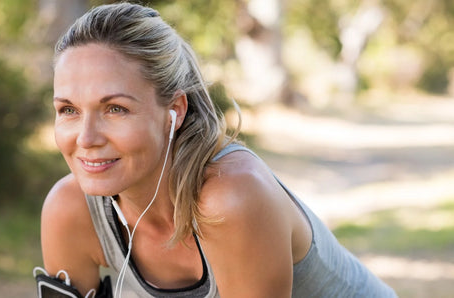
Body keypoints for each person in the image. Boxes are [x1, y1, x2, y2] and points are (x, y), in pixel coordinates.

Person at [38, 2, 397, 298]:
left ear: (174, 111)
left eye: (115, 109)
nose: (85, 138)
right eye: (68, 110)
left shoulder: (231, 197)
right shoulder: (69, 211)